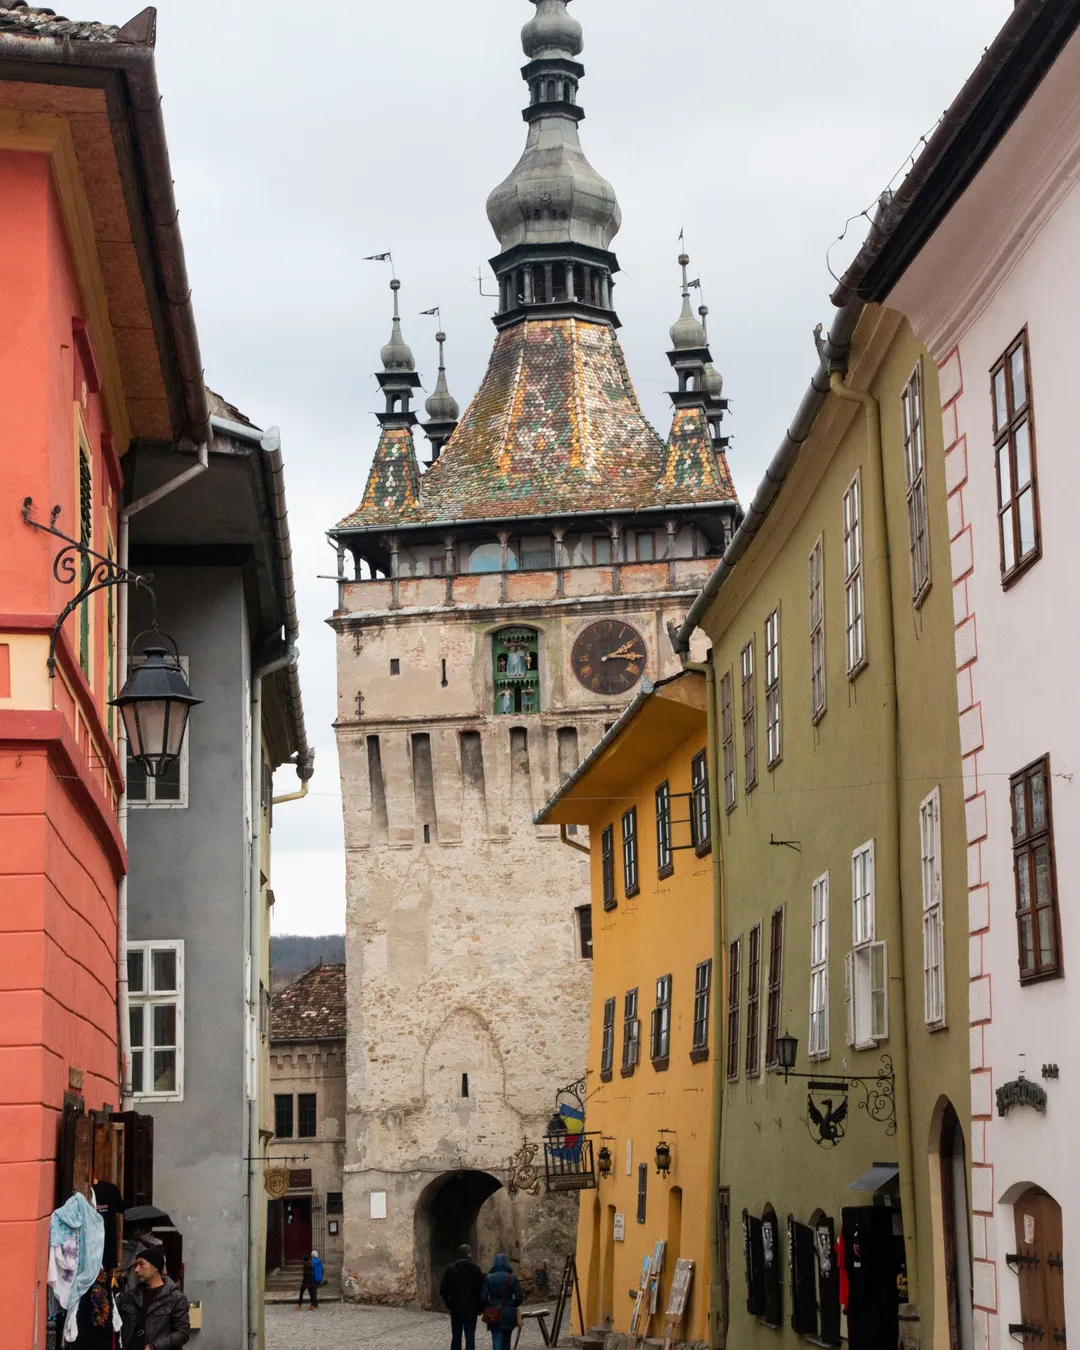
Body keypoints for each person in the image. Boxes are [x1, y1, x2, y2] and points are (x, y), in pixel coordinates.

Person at [117, 1245, 190, 1350]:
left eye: (141, 1264)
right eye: (136, 1265)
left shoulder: (175, 1298)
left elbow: (182, 1333)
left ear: (155, 1267)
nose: (136, 1269)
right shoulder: (130, 1295)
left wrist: (154, 1346)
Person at [440, 1243, 484, 1350]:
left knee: (456, 1336)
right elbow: (481, 1289)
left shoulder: (450, 1269)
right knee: (470, 1337)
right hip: (471, 1309)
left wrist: (449, 1304)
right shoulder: (475, 1269)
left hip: (456, 1308)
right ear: (468, 1254)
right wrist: (480, 1307)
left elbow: (443, 1289)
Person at [480, 1253, 523, 1350]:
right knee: (507, 1341)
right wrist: (512, 1305)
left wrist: (489, 1305)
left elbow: (483, 1297)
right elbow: (519, 1297)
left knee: (496, 1340)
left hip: (494, 1314)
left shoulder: (488, 1278)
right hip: (509, 1313)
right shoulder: (512, 1278)